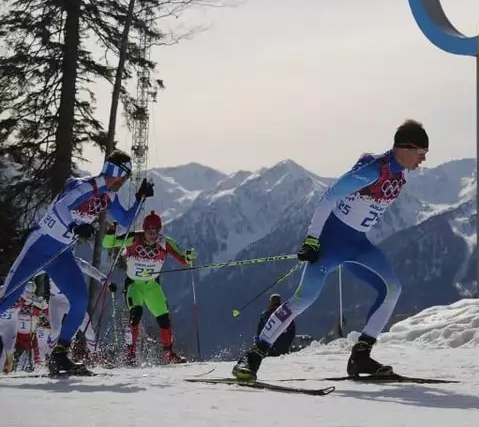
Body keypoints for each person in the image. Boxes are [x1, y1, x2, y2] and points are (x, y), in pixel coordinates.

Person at [232, 120, 428, 381]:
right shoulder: (373, 170)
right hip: (330, 245)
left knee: (392, 287)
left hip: (358, 245)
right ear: (406, 147)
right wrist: (312, 239)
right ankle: (253, 356)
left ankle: (360, 356)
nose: (423, 160)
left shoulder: (400, 174)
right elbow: (329, 197)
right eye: (421, 153)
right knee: (303, 300)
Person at [0, 150, 153, 376]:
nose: (125, 182)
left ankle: (59, 355)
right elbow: (62, 206)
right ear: (120, 173)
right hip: (39, 247)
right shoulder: (87, 185)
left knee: (80, 300)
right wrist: (74, 227)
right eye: (127, 177)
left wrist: (140, 199)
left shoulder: (109, 196)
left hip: (60, 254)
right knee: (8, 300)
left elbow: (125, 221)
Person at [102, 210, 196, 364]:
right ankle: (130, 354)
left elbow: (184, 259)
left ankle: (168, 353)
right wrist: (111, 233)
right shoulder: (133, 239)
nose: (153, 235)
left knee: (164, 319)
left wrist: (188, 256)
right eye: (149, 231)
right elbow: (107, 243)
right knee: (136, 313)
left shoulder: (164, 242)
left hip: (152, 286)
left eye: (156, 231)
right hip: (134, 285)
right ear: (144, 229)